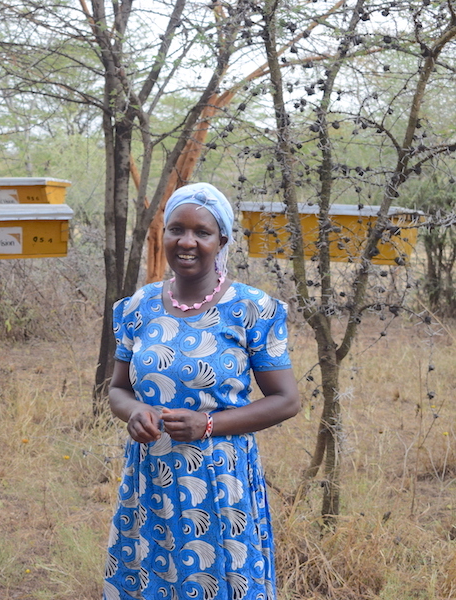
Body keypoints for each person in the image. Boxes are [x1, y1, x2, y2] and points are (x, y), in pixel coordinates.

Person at [102, 182, 299, 600]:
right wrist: (134, 411)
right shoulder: (137, 308)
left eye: (202, 232)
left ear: (221, 240)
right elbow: (118, 389)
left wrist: (208, 424)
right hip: (150, 476)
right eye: (176, 229)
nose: (186, 242)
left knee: (219, 582)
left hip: (220, 478)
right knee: (152, 580)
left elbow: (287, 400)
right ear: (163, 234)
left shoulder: (251, 309)